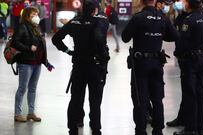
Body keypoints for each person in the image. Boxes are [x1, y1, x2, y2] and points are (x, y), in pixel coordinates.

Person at [121, 0, 179, 134]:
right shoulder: (163, 18)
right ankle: (158, 130)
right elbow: (175, 36)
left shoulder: (138, 18)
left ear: (141, 1)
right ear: (155, 1)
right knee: (157, 99)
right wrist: (160, 34)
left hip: (140, 64)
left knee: (140, 99)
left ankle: (141, 130)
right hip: (157, 64)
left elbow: (124, 37)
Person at [52, 1, 109, 135]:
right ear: (94, 10)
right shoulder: (98, 23)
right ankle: (96, 129)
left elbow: (56, 39)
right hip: (94, 66)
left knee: (76, 98)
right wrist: (104, 57)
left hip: (78, 65)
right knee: (95, 100)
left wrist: (68, 51)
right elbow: (99, 39)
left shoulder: (73, 22)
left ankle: (72, 128)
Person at [173, 0, 203, 135]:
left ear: (189, 4)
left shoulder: (189, 20)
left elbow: (182, 41)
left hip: (191, 62)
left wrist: (178, 54)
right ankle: (200, 128)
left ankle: (190, 129)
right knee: (201, 95)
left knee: (190, 95)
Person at [12, 7, 54, 122]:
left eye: (37, 14)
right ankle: (17, 114)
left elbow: (40, 45)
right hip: (26, 63)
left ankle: (31, 113)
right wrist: (28, 48)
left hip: (37, 63)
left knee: (33, 89)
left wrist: (46, 62)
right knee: (22, 88)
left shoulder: (36, 27)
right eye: (33, 14)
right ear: (27, 16)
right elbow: (15, 42)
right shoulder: (22, 26)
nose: (36, 16)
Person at [166, 0, 188, 127]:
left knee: (190, 92)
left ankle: (190, 122)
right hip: (182, 58)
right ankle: (182, 118)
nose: (180, 3)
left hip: (190, 59)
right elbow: (173, 33)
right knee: (185, 90)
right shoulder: (181, 16)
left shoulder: (193, 18)